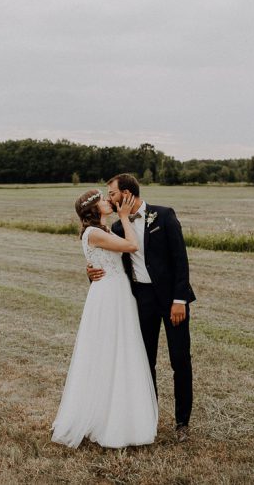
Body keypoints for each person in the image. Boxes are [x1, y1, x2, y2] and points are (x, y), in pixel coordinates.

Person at [88, 173, 196, 441]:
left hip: (172, 299)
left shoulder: (164, 215)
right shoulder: (115, 229)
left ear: (126, 193)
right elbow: (105, 259)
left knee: (179, 359)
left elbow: (180, 260)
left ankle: (182, 423)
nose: (109, 198)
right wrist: (90, 271)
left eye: (111, 193)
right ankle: (149, 417)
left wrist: (179, 300)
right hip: (140, 299)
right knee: (143, 361)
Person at [51, 189, 159, 448]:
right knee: (109, 351)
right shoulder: (96, 232)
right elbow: (131, 246)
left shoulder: (103, 230)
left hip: (118, 292)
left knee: (120, 351)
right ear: (92, 208)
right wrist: (123, 216)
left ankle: (119, 413)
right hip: (109, 295)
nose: (108, 201)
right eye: (102, 199)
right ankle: (106, 419)